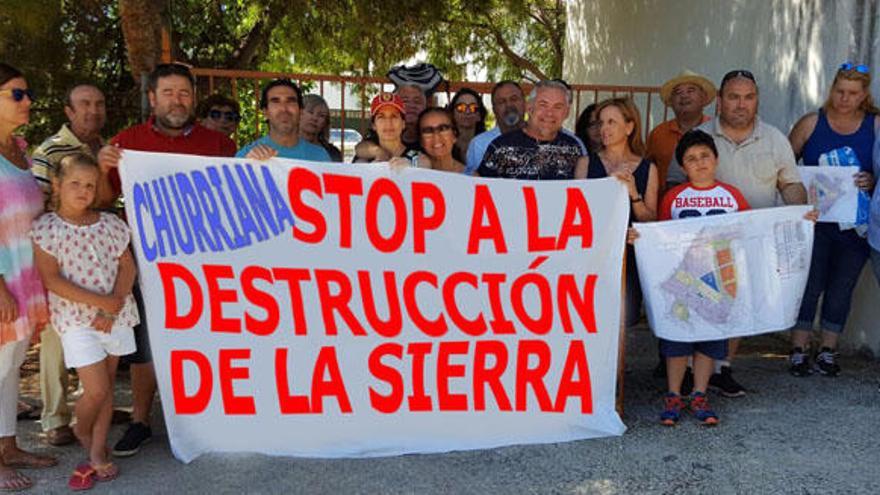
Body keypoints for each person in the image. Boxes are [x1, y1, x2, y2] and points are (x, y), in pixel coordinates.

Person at [97, 62, 236, 457]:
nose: (178, 101)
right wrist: (105, 166)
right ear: (153, 98)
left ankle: (206, 418)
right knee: (147, 345)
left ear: (193, 98)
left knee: (205, 339)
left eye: (185, 93)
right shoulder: (127, 143)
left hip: (204, 260)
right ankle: (141, 420)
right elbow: (103, 201)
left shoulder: (220, 145)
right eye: (169, 93)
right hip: (148, 261)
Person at [667, 69, 808, 398]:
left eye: (749, 97)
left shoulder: (775, 139)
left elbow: (790, 183)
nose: (741, 104)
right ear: (719, 100)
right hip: (701, 245)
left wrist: (800, 214)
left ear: (756, 99)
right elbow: (675, 183)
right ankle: (689, 368)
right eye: (733, 97)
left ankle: (722, 369)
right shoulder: (700, 135)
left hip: (753, 241)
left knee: (739, 304)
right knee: (698, 303)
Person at [32, 153, 139, 490]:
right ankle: (81, 427)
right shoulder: (46, 228)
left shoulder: (111, 224)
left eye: (90, 185)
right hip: (77, 320)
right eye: (75, 183)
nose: (83, 190)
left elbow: (128, 267)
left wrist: (111, 308)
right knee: (96, 389)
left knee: (106, 390)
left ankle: (95, 450)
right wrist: (99, 304)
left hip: (116, 317)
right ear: (57, 185)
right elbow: (52, 280)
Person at [630, 129, 751, 426]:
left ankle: (699, 393)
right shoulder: (674, 197)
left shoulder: (732, 196)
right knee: (678, 337)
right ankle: (673, 394)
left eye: (705, 156)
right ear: (682, 166)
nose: (699, 163)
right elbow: (662, 236)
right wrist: (641, 237)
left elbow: (751, 229)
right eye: (691, 159)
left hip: (718, 281)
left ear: (716, 159)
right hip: (685, 279)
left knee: (709, 338)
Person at [787, 62, 877, 377]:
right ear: (831, 89)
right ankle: (798, 349)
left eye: (852, 93)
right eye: (839, 91)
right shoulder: (812, 123)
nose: (844, 98)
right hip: (814, 223)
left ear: (864, 94)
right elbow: (785, 164)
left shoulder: (875, 125)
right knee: (809, 284)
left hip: (857, 225)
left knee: (842, 286)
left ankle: (827, 349)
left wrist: (872, 180)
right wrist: (798, 190)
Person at [30, 83, 108, 447]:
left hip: (98, 252)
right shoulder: (48, 151)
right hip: (61, 253)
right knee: (56, 337)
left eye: (98, 103)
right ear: (68, 111)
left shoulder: (106, 147)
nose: (92, 110)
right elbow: (40, 203)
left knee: (93, 334)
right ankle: (56, 417)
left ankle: (90, 403)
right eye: (84, 104)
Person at [0, 62, 56, 493]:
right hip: (3, 281)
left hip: (24, 278)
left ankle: (8, 445)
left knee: (10, 368)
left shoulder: (20, 149)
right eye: (16, 94)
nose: (28, 101)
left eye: (27, 93)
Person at [581, 97, 659, 328]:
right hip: (593, 254)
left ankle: (617, 366)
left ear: (629, 126)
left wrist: (633, 192)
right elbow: (578, 212)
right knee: (590, 318)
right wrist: (606, 186)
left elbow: (650, 218)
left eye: (611, 122)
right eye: (600, 123)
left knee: (624, 320)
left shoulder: (648, 168)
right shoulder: (585, 163)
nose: (604, 129)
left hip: (629, 257)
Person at [479, 79, 587, 180]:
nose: (549, 113)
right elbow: (480, 190)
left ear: (566, 113)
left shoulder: (574, 148)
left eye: (557, 107)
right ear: (529, 107)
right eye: (543, 105)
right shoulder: (500, 147)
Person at [647, 70, 715, 195]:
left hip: (710, 204)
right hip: (666, 205)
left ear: (703, 98)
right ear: (671, 101)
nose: (684, 96)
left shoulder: (715, 131)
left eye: (691, 91)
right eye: (678, 92)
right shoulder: (658, 134)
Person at [237, 79, 330, 161]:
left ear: (300, 111)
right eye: (275, 101)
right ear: (265, 112)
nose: (284, 108)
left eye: (290, 101)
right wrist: (246, 165)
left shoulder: (320, 156)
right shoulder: (245, 156)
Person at [465, 81, 527, 174]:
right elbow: (472, 184)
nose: (509, 105)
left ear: (524, 103)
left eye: (514, 99)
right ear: (494, 110)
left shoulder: (542, 138)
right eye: (501, 102)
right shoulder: (479, 145)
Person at [354, 93, 420, 164]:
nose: (388, 123)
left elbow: (423, 161)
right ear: (374, 125)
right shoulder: (365, 155)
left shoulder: (413, 154)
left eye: (394, 116)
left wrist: (409, 163)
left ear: (403, 124)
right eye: (381, 117)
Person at [416, 107, 466, 174]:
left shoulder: (471, 177)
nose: (436, 136)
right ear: (421, 141)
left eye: (443, 129)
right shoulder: (410, 171)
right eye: (428, 131)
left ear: (454, 135)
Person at [299, 94, 342, 162]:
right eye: (310, 112)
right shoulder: (281, 147)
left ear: (325, 123)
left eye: (321, 115)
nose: (315, 118)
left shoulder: (332, 153)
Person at [449, 87, 486, 162]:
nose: (467, 112)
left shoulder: (488, 146)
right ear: (452, 114)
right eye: (461, 107)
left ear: (479, 115)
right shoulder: (443, 145)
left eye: (473, 108)